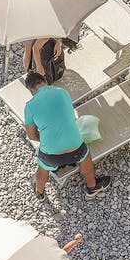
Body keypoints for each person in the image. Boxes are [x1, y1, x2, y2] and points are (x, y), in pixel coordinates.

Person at [24, 71, 112, 199]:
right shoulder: (62, 92)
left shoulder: (29, 106)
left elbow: (31, 136)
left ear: (31, 91)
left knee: (42, 168)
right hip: (75, 149)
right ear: (45, 82)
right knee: (85, 156)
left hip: (50, 155)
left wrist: (44, 138)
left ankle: (40, 192)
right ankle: (92, 188)